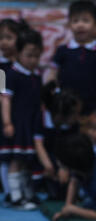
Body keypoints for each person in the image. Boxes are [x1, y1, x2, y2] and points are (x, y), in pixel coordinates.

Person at [0, 28, 54, 210]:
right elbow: (5, 99)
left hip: (31, 124)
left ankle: (25, 194)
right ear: (18, 53)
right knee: (15, 160)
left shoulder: (36, 77)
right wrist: (7, 122)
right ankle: (14, 197)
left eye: (36, 56)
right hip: (17, 124)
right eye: (29, 55)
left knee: (25, 161)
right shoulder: (12, 75)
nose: (33, 60)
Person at [48, 0, 96, 115]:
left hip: (92, 108)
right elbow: (52, 76)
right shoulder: (62, 50)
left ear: (95, 24)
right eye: (75, 21)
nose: (80, 25)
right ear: (69, 25)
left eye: (85, 20)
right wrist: (50, 97)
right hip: (65, 108)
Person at [0, 19, 29, 206]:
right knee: (4, 155)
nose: (3, 42)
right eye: (1, 37)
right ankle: (10, 193)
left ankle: (17, 192)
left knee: (15, 155)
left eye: (8, 37)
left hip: (16, 117)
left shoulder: (20, 67)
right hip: (4, 117)